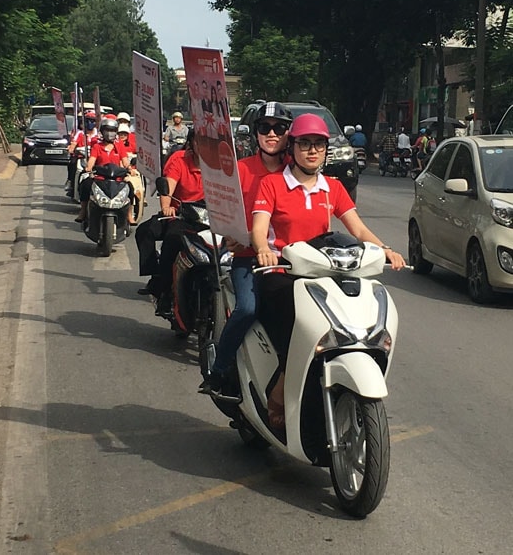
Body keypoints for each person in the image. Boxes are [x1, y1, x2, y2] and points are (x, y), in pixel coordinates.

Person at [250, 113, 406, 429]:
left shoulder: (331, 188)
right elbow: (259, 227)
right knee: (295, 332)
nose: (312, 151)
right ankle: (279, 393)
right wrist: (264, 250)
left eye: (318, 145)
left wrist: (385, 249)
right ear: (291, 147)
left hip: (324, 275)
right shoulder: (273, 184)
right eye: (305, 144)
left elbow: (358, 230)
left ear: (325, 150)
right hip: (282, 274)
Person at [198, 101, 293, 397]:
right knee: (247, 308)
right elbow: (222, 213)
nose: (272, 134)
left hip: (291, 261)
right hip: (249, 259)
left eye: (280, 128)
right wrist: (231, 235)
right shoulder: (238, 170)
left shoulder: (297, 171)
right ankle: (220, 371)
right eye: (265, 128)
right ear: (256, 133)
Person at [135, 130, 204, 311]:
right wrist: (167, 206)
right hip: (182, 214)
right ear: (190, 143)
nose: (204, 147)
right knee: (158, 234)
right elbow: (168, 187)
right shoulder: (179, 160)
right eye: (199, 142)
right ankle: (162, 284)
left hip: (210, 218)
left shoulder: (219, 165)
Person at [75, 117, 133, 223]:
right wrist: (88, 168)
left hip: (117, 177)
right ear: (102, 132)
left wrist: (129, 168)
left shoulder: (119, 146)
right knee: (85, 185)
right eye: (107, 130)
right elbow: (92, 161)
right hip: (100, 177)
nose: (110, 133)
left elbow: (125, 161)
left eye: (112, 130)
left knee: (130, 188)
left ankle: (129, 215)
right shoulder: (97, 147)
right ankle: (83, 211)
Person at [66, 111, 98, 194]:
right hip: (81, 158)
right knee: (73, 165)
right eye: (88, 120)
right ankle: (72, 185)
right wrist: (72, 149)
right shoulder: (80, 133)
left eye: (92, 121)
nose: (90, 123)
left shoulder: (98, 134)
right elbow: (73, 144)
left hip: (95, 159)